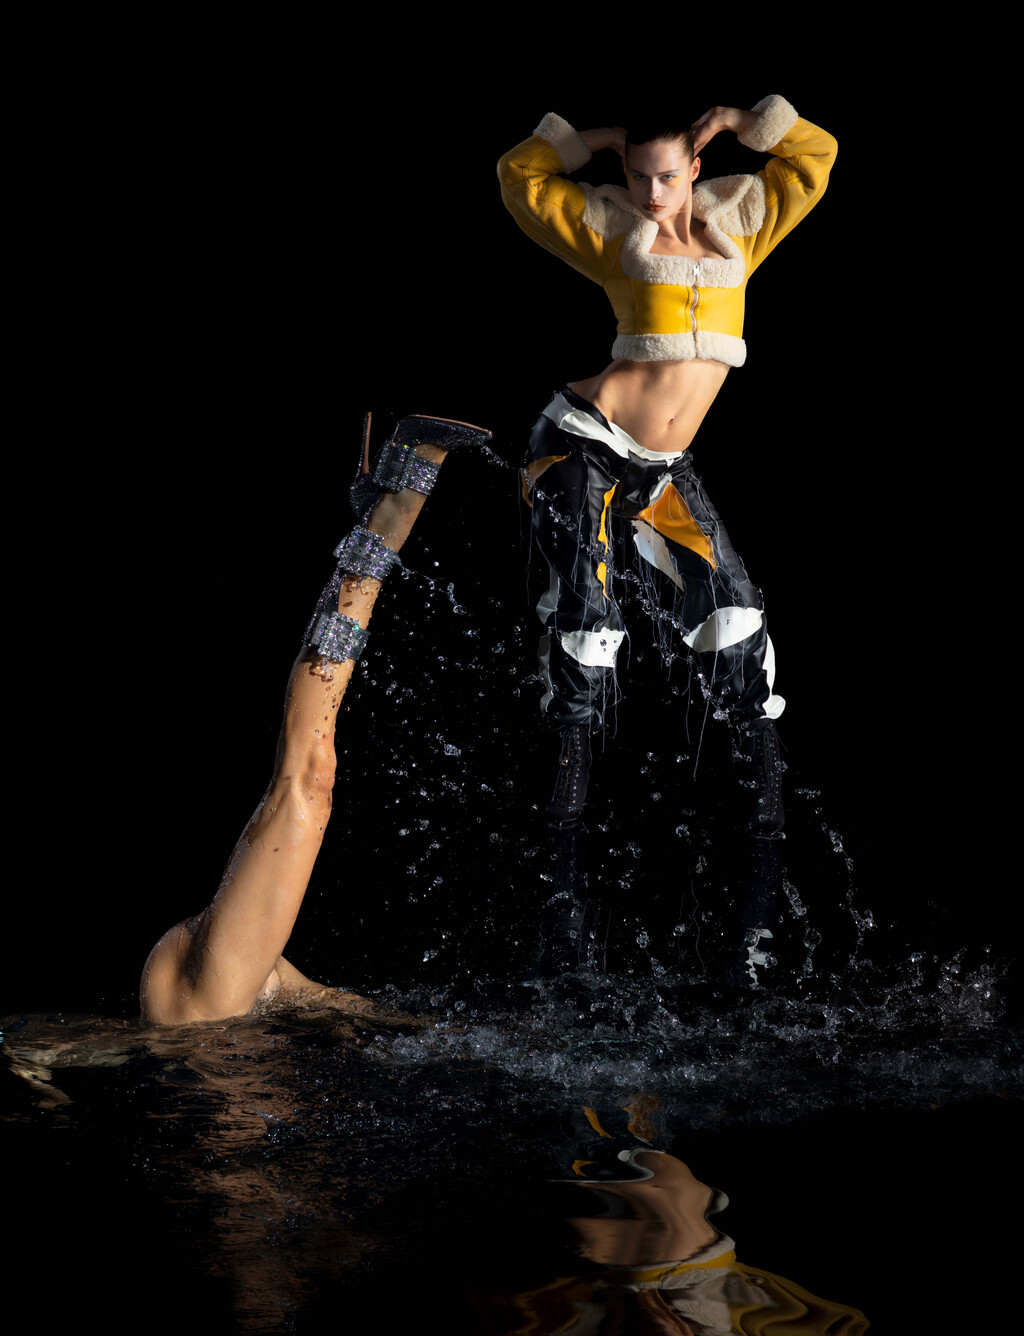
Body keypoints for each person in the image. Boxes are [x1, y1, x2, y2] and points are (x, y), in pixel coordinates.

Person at [498, 96, 837, 833]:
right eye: (639, 175)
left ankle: (767, 811)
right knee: (585, 615)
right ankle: (564, 809)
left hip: (661, 468)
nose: (653, 192)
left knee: (733, 608)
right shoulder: (615, 230)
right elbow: (520, 177)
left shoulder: (743, 222)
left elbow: (816, 159)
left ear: (696, 168)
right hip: (580, 445)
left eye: (669, 176)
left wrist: (746, 123)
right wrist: (594, 138)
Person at [140, 413, 492, 1025]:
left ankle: (386, 518)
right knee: (309, 778)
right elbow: (330, 1003)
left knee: (308, 776)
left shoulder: (209, 1009)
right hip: (211, 1008)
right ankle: (379, 515)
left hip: (206, 1005)